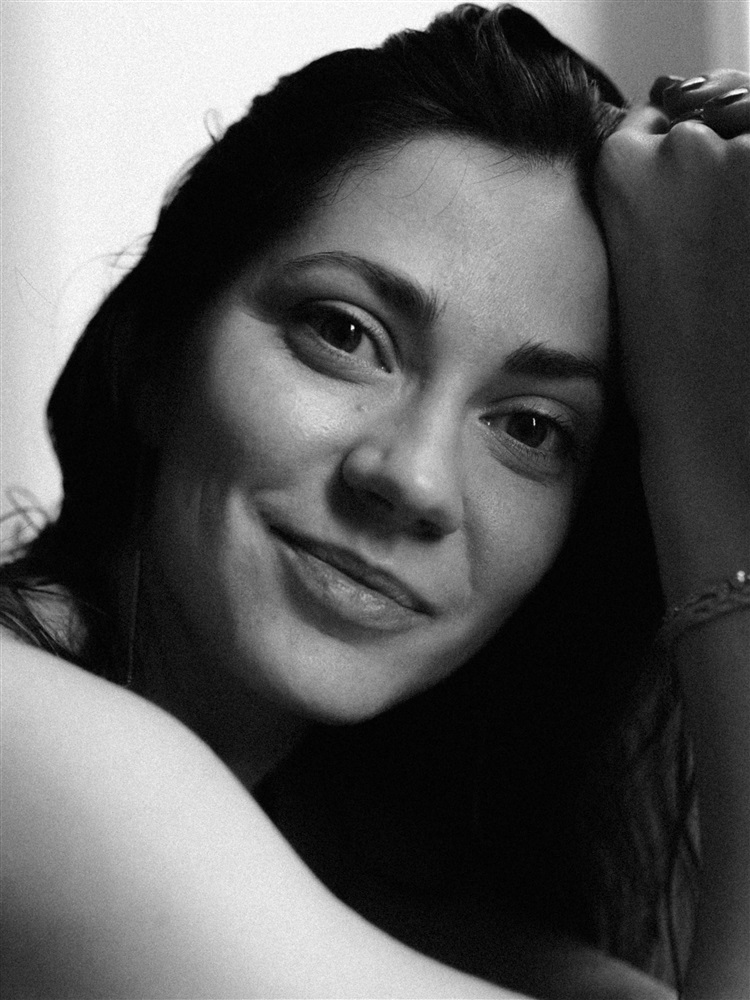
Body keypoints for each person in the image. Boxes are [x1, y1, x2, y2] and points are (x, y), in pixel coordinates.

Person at [1, 4, 748, 997]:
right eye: (344, 334)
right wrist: (714, 468)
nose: (413, 480)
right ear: (154, 352)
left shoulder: (325, 848)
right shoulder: (32, 741)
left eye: (531, 427)